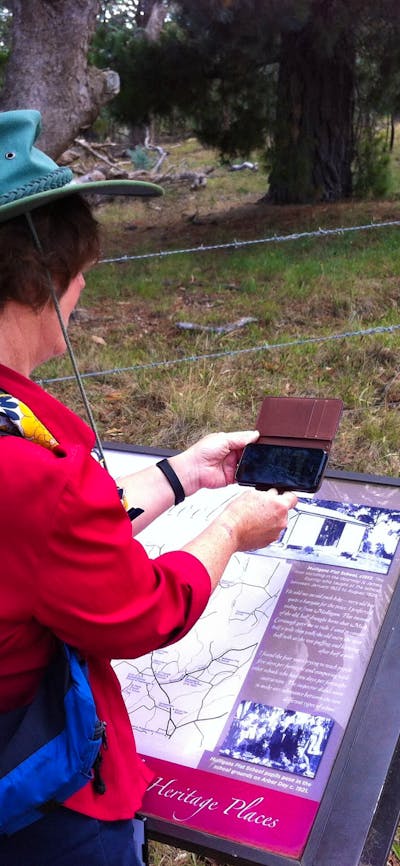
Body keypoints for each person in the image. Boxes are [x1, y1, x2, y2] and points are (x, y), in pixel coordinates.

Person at [0, 109, 297, 866]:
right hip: (42, 811)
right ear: (39, 279)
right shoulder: (32, 474)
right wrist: (231, 525)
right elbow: (141, 612)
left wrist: (179, 474)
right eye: (79, 275)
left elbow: (40, 549)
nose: (82, 292)